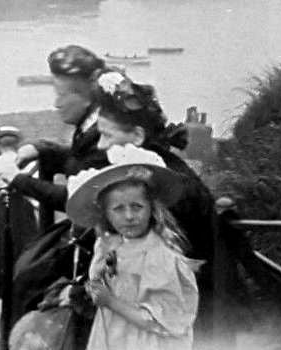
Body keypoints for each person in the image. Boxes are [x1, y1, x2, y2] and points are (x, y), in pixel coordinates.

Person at [91, 71, 249, 342]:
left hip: (187, 309)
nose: (100, 145)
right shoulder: (154, 171)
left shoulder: (163, 189)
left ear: (138, 136)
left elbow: (162, 269)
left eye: (106, 135)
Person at [6, 45, 112, 345]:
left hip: (97, 234)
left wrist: (21, 182)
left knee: (29, 276)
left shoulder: (102, 133)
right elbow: (78, 163)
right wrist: (41, 147)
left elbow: (76, 194)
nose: (56, 103)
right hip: (89, 228)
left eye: (63, 95)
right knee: (29, 265)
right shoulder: (89, 126)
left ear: (86, 96)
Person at [66, 144, 200, 350]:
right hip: (112, 336)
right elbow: (101, 284)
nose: (129, 216)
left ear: (151, 209)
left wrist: (111, 302)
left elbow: (164, 322)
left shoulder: (159, 257)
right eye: (118, 209)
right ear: (106, 214)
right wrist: (94, 287)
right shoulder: (108, 245)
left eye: (137, 207)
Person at [0, 126, 39, 297]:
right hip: (23, 205)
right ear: (17, 144)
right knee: (24, 241)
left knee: (0, 243)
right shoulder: (29, 164)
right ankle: (23, 283)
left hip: (2, 206)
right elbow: (36, 187)